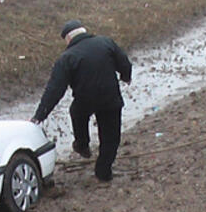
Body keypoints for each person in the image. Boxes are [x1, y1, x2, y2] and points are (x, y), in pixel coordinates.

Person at [31, 19, 132, 181]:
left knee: (76, 113)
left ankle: (82, 144)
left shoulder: (67, 58)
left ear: (68, 39)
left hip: (85, 101)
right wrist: (126, 77)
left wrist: (40, 115)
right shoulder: (106, 42)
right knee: (111, 138)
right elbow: (124, 62)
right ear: (84, 31)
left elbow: (54, 90)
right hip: (110, 97)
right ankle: (103, 172)